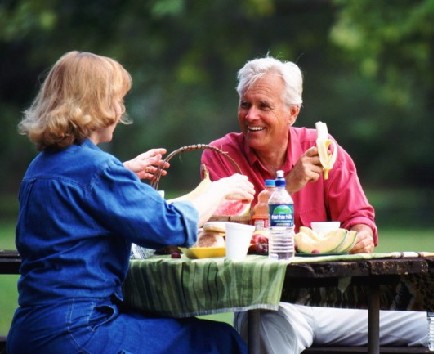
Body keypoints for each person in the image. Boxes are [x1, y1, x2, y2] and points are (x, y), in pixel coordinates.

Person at [200, 55, 434, 353]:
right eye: (245, 104)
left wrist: (362, 235)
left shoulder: (324, 152)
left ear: (293, 113)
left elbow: (360, 220)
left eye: (264, 106)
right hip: (271, 305)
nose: (251, 115)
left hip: (338, 306)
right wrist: (290, 184)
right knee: (267, 328)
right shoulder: (220, 155)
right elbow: (219, 230)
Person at [7, 51, 255, 354]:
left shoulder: (40, 168)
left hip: (30, 332)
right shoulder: (96, 169)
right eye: (118, 98)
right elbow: (172, 225)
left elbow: (75, 205)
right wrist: (220, 188)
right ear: (97, 103)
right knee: (220, 341)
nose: (122, 109)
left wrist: (122, 174)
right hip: (79, 332)